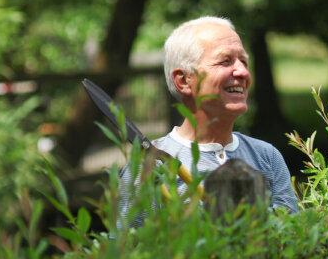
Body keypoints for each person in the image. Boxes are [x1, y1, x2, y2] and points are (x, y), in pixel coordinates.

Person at [118, 16, 298, 227]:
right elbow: (126, 252)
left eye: (244, 61)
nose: (243, 72)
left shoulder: (267, 157)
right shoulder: (146, 167)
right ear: (184, 80)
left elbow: (293, 241)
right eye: (225, 61)